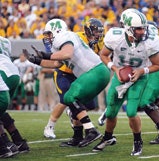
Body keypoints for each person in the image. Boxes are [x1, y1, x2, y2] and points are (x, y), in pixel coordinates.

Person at [25, 18, 110, 147]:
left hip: (94, 72)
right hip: (96, 73)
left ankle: (91, 130)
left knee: (69, 97)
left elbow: (67, 54)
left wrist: (46, 55)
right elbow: (56, 63)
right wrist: (36, 60)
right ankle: (78, 136)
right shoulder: (63, 41)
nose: (47, 37)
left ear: (57, 31)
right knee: (75, 103)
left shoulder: (64, 36)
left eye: (49, 33)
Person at [92, 9, 159, 156]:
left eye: (144, 27)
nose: (143, 31)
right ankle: (108, 137)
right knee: (110, 113)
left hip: (139, 78)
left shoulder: (150, 41)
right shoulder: (115, 37)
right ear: (129, 29)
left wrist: (142, 71)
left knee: (131, 111)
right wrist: (115, 69)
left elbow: (157, 65)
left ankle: (138, 141)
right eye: (139, 28)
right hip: (120, 77)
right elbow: (103, 55)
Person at [0, 36, 29, 158]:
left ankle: (4, 145)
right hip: (13, 71)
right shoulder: (5, 40)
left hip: (2, 72)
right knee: (1, 111)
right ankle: (18, 141)